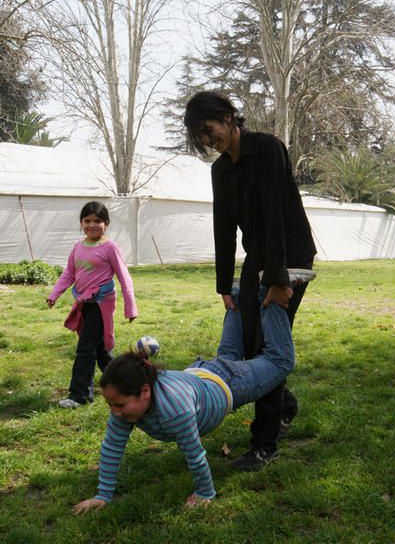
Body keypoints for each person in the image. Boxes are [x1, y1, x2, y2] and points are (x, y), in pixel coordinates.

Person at [184, 91, 317, 471]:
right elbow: (223, 227)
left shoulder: (269, 149)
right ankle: (285, 406)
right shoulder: (220, 170)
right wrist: (224, 285)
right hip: (257, 257)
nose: (209, 142)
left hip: (291, 257)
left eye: (209, 130)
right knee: (245, 343)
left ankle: (264, 445)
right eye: (201, 138)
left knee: (267, 350)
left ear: (228, 117)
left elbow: (276, 214)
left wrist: (278, 281)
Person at [73, 295, 295, 514]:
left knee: (280, 362)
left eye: (119, 405)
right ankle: (237, 296)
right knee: (228, 354)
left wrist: (205, 492)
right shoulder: (125, 406)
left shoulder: (174, 410)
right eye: (110, 404)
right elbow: (112, 447)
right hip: (202, 374)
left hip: (229, 382)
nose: (115, 412)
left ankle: (272, 297)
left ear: (145, 391)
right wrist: (103, 495)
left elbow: (194, 453)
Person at [47, 201, 138, 409]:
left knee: (85, 348)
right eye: (87, 221)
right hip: (83, 303)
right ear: (81, 223)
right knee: (101, 350)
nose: (92, 225)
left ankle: (79, 395)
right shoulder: (78, 246)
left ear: (106, 223)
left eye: (97, 221)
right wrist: (54, 294)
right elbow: (69, 273)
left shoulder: (110, 247)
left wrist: (130, 307)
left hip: (101, 304)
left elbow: (124, 277)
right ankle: (125, 385)